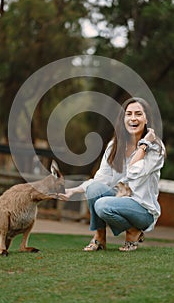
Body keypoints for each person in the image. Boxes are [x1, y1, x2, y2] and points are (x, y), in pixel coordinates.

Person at [59, 97, 165, 252]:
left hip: (143, 210)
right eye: (128, 114)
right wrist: (73, 191)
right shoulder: (114, 146)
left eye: (138, 114)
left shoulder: (155, 148)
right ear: (123, 119)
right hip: (119, 200)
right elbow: (100, 179)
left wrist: (144, 145)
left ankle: (134, 231)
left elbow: (134, 171)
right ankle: (99, 237)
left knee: (102, 205)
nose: (133, 118)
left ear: (146, 118)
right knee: (94, 189)